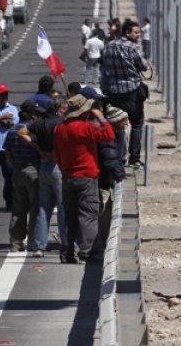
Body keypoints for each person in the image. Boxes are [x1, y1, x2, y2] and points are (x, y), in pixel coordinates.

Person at [53, 94, 115, 264]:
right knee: (88, 214)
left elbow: (57, 154)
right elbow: (109, 135)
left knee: (69, 216)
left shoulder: (59, 129)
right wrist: (101, 117)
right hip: (87, 177)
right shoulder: (86, 127)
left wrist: (65, 168)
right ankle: (87, 252)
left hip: (67, 176)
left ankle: (67, 252)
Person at [20, 95, 68, 258]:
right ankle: (66, 242)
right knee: (63, 206)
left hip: (44, 165)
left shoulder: (39, 122)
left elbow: (22, 132)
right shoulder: (59, 123)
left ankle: (39, 246)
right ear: (58, 108)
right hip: (57, 166)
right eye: (64, 109)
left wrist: (39, 149)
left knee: (43, 208)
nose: (65, 112)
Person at [101, 19, 149, 167]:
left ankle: (115, 156)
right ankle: (134, 158)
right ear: (127, 32)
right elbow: (144, 66)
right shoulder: (133, 48)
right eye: (136, 33)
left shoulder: (108, 46)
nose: (138, 36)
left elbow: (104, 66)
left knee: (116, 124)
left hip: (113, 92)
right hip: (131, 92)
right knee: (137, 124)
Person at [4, 100, 45, 252]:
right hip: (34, 171)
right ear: (32, 115)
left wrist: (15, 165)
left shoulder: (12, 130)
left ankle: (15, 242)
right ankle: (33, 242)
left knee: (18, 209)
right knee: (35, 208)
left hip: (18, 171)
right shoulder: (33, 131)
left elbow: (7, 153)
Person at [91, 104, 128, 259]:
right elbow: (109, 159)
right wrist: (120, 176)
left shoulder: (118, 134)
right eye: (124, 121)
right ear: (116, 122)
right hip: (102, 181)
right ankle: (97, 247)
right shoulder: (108, 137)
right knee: (102, 213)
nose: (126, 123)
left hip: (107, 179)